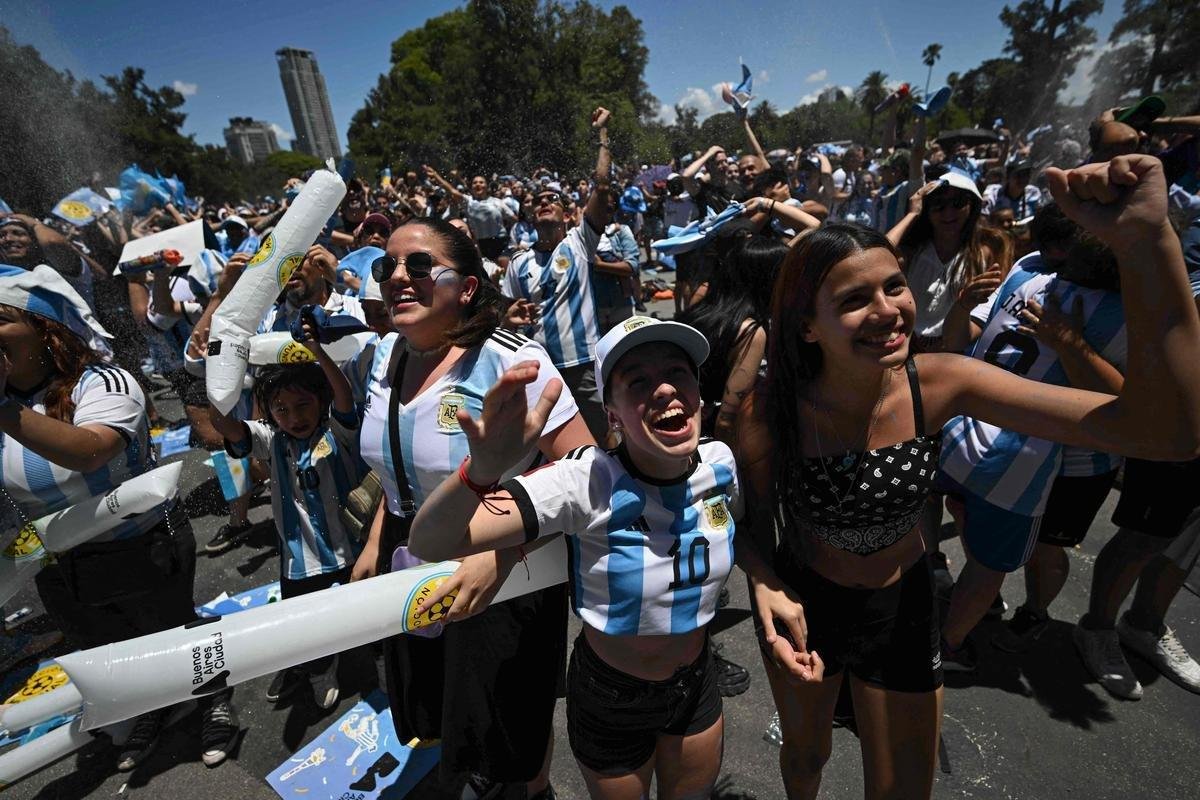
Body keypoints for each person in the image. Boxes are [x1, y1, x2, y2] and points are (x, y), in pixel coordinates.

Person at [736, 155, 1200, 799]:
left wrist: (1152, 242)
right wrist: (763, 582)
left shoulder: (940, 382)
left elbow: (1169, 433)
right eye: (853, 300)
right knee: (806, 759)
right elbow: (741, 520)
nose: (889, 311)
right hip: (806, 611)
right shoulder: (770, 407)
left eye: (894, 287)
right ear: (807, 326)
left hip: (905, 608)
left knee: (903, 790)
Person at [406, 316, 810, 800]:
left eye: (678, 373)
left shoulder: (720, 464)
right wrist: (483, 471)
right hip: (611, 697)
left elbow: (730, 527)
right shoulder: (586, 479)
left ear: (699, 394)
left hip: (695, 684)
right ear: (612, 413)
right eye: (637, 381)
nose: (664, 389)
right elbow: (432, 542)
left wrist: (763, 581)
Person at [347, 216, 592, 799]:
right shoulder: (384, 356)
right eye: (387, 267)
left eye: (421, 265)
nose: (399, 277)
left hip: (508, 564)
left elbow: (586, 468)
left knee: (509, 724)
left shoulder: (510, 358)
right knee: (442, 707)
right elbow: (400, 469)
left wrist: (504, 551)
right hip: (414, 559)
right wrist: (377, 541)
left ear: (467, 287)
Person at [0, 265, 238, 770]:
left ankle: (215, 699)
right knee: (120, 649)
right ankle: (153, 709)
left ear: (44, 329)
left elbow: (90, 451)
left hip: (145, 543)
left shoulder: (103, 382)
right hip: (65, 562)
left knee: (176, 632)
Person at [209, 322, 363, 710]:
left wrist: (318, 352)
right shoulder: (268, 438)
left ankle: (363, 655)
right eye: (281, 409)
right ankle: (318, 669)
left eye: (303, 405)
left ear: (321, 401)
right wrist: (219, 368)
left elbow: (344, 397)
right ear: (270, 413)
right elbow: (224, 425)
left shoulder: (338, 432)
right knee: (306, 626)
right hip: (299, 560)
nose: (293, 417)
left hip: (350, 550)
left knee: (355, 614)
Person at [501, 107, 617, 441]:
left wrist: (603, 134)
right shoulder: (519, 263)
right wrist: (509, 317)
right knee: (557, 445)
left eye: (553, 198)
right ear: (531, 216)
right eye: (538, 201)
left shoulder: (580, 243)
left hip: (582, 363)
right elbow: (504, 316)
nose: (545, 202)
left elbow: (603, 185)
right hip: (540, 369)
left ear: (567, 213)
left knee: (604, 436)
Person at [678, 236, 785, 442]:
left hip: (685, 426)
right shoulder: (750, 331)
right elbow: (727, 420)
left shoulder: (701, 312)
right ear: (768, 282)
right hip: (712, 440)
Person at [424, 168, 516, 260]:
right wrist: (436, 175)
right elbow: (451, 190)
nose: (478, 184)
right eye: (475, 183)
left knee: (504, 266)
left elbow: (514, 220)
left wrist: (516, 239)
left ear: (487, 186)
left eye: (481, 182)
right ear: (471, 187)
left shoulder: (498, 202)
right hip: (481, 245)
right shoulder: (468, 202)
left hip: (501, 242)